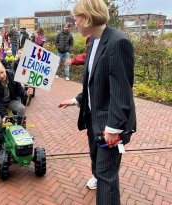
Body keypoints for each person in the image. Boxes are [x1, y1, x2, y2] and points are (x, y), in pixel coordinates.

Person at [58, 0, 136, 204]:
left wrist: (114, 128)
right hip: (93, 120)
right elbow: (95, 82)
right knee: (98, 167)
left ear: (87, 17)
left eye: (76, 19)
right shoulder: (93, 41)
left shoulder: (118, 42)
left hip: (110, 125)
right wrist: (77, 100)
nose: (74, 23)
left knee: (106, 177)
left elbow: (122, 90)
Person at [0, 59, 33, 159]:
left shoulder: (12, 75)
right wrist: (4, 116)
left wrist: (26, 93)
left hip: (11, 100)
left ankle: (21, 132)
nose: (2, 76)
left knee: (21, 108)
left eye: (2, 72)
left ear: (4, 69)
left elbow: (19, 89)